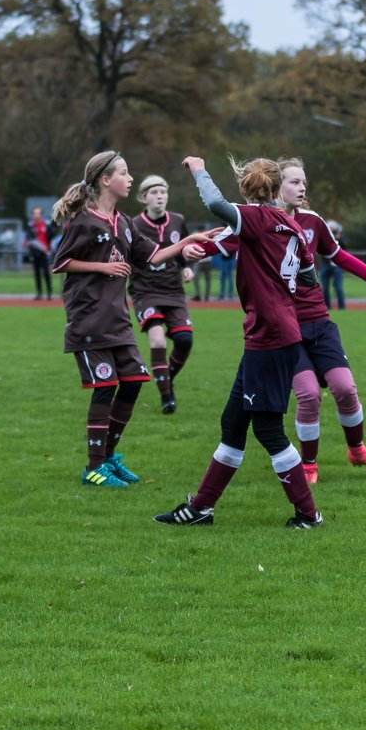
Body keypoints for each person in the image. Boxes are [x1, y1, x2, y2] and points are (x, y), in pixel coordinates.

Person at [155, 155, 323, 528]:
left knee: (267, 429)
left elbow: (216, 205)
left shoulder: (256, 218)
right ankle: (201, 508)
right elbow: (309, 278)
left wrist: (199, 167)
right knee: (232, 423)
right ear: (277, 187)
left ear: (245, 188)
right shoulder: (289, 227)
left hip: (269, 337)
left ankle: (309, 514)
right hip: (276, 334)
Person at [51, 152, 214, 488]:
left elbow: (153, 256)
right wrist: (101, 267)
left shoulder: (123, 223)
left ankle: (108, 458)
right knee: (105, 387)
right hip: (88, 320)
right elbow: (61, 262)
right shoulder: (84, 220)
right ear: (105, 180)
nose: (130, 178)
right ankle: (93, 469)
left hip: (117, 321)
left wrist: (186, 242)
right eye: (124, 173)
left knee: (134, 381)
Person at [275, 159, 366, 484]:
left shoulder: (314, 222)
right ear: (276, 185)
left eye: (304, 182)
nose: (302, 188)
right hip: (284, 328)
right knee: (309, 395)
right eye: (294, 182)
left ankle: (357, 450)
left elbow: (339, 255)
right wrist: (191, 252)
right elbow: (226, 243)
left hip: (318, 321)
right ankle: (309, 464)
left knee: (345, 388)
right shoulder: (259, 223)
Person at [129, 175, 196, 414]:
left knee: (185, 340)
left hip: (173, 291)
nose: (160, 196)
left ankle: (166, 377)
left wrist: (188, 266)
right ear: (144, 197)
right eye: (154, 192)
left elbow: (185, 250)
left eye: (163, 192)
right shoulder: (133, 225)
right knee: (157, 340)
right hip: (145, 292)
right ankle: (167, 396)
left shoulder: (178, 220)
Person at [24, 206, 57, 300]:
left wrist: (50, 248)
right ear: (32, 215)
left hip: (45, 253)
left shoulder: (47, 225)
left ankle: (49, 293)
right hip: (35, 253)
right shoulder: (30, 226)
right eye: (35, 213)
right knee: (37, 274)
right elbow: (29, 239)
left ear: (41, 215)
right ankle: (39, 293)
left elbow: (52, 237)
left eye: (38, 213)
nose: (36, 215)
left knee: (46, 273)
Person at [319, 219, 347, 310]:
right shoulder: (323, 236)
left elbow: (345, 247)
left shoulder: (340, 236)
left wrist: (339, 238)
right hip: (325, 264)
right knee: (325, 289)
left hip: (337, 265)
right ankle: (327, 307)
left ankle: (341, 308)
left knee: (339, 288)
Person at [190, 224, 213, 300]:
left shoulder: (208, 234)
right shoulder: (194, 235)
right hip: (198, 261)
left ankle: (207, 296)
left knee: (208, 279)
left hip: (207, 260)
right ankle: (198, 295)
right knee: (196, 278)